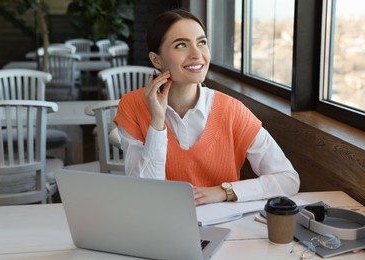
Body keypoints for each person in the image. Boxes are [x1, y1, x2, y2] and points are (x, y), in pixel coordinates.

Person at [114, 8, 300, 205]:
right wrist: (157, 123)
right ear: (156, 59)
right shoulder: (132, 106)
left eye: (202, 42)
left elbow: (288, 179)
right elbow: (145, 194)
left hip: (225, 227)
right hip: (162, 225)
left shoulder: (232, 110)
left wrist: (223, 191)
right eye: (181, 45)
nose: (197, 54)